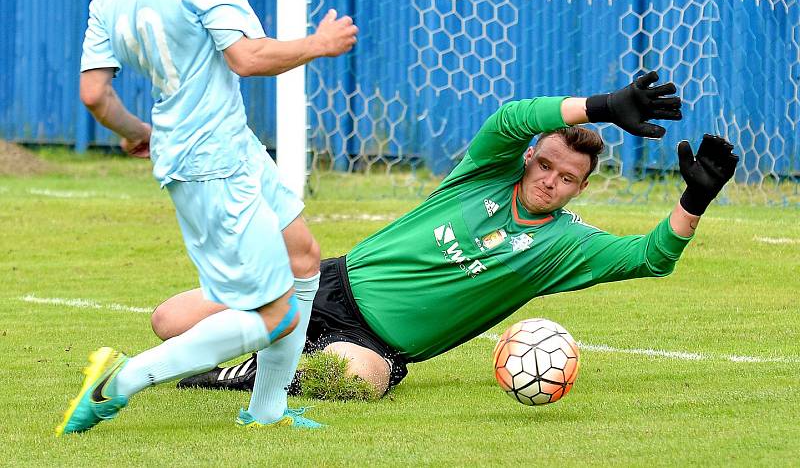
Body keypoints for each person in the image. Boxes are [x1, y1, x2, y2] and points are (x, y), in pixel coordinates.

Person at [149, 71, 738, 397]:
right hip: (327, 285)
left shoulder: (563, 245)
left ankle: (241, 371)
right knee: (168, 319)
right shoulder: (483, 173)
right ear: (530, 159)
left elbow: (651, 257)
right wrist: (603, 105)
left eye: (568, 179)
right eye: (547, 166)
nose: (552, 182)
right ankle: (268, 348)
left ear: (580, 190)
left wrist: (695, 198)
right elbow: (512, 118)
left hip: (375, 344)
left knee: (365, 380)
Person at [56, 0, 358, 435]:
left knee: (304, 258)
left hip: (215, 146)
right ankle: (120, 380)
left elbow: (94, 93)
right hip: (212, 158)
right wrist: (320, 45)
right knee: (270, 314)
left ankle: (267, 411)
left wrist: (137, 131)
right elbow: (246, 57)